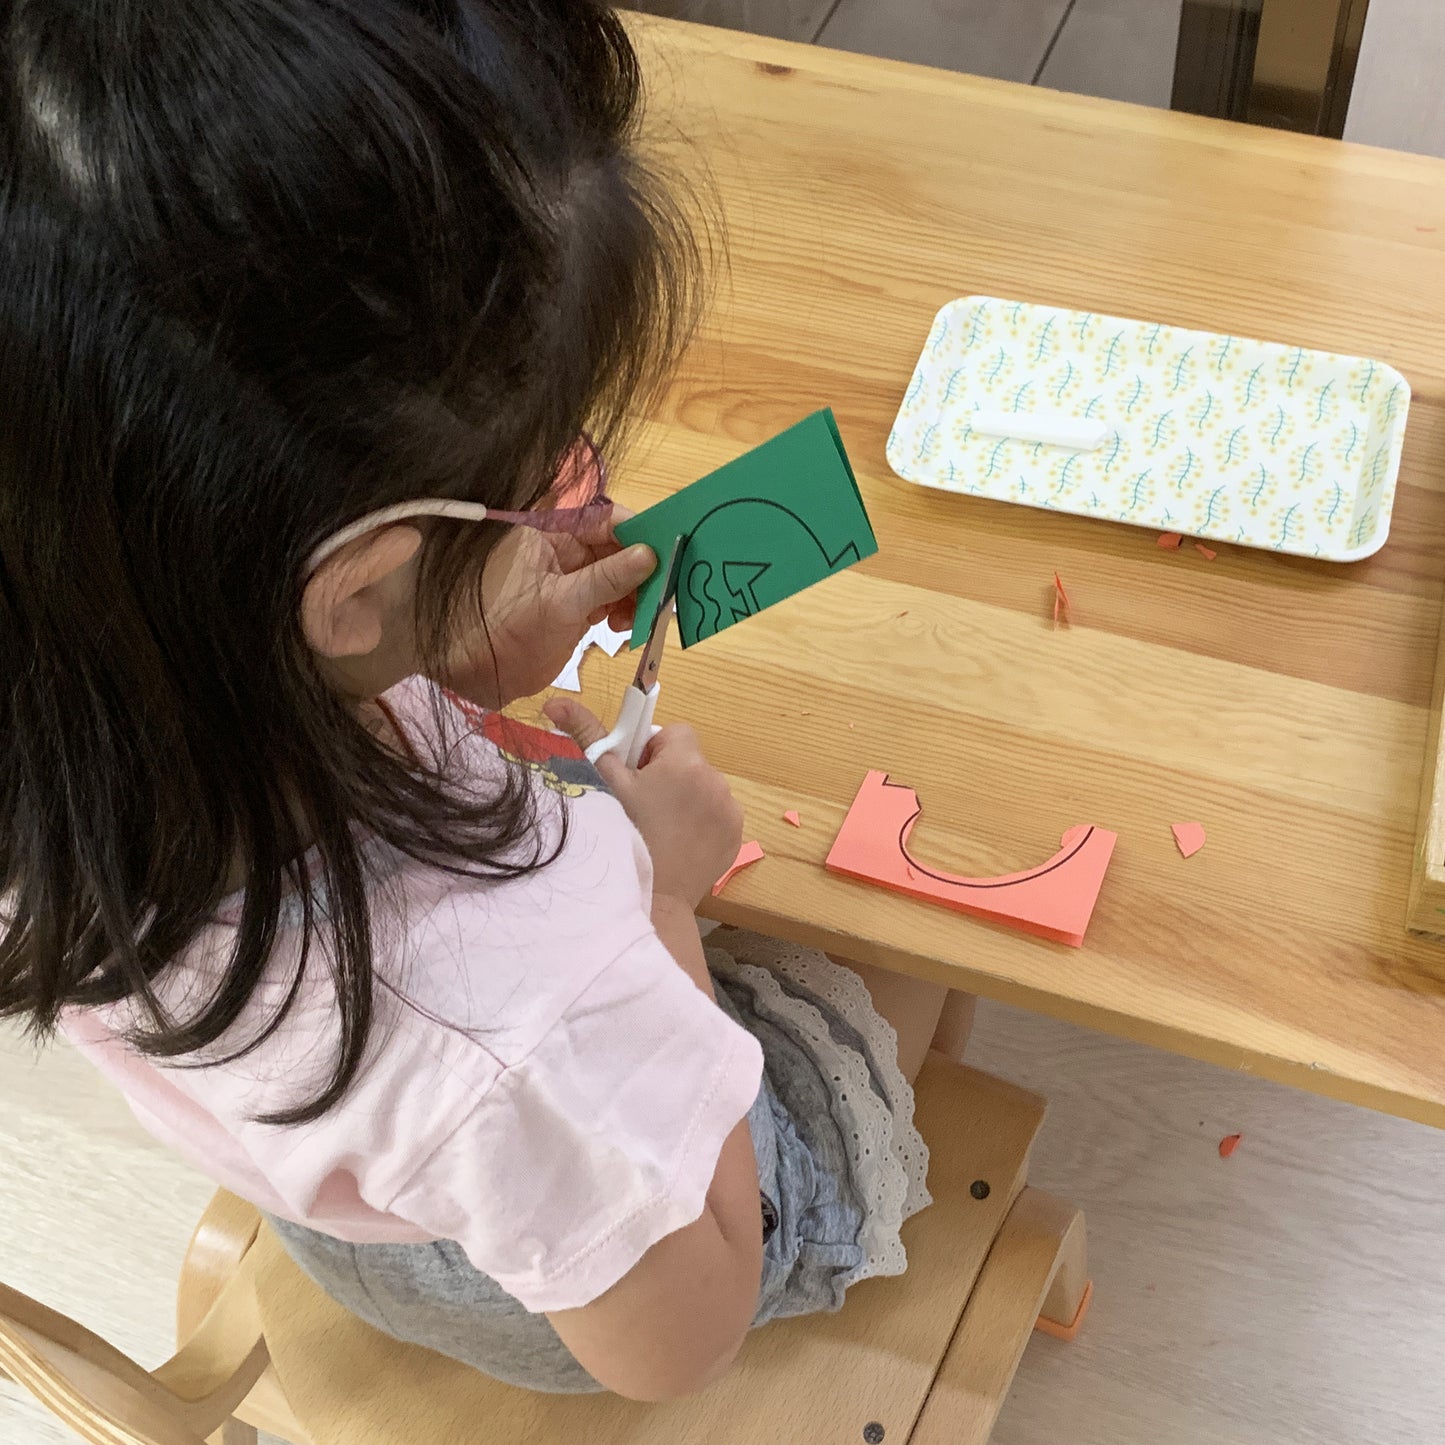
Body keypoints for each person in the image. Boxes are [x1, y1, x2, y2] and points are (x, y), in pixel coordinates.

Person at [0, 0, 971, 1402]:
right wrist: (661, 904)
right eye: (543, 482)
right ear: (350, 591)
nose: (571, 494)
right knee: (905, 957)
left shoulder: (82, 662)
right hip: (592, 1264)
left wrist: (456, 640)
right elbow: (674, 1336)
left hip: (356, 1175)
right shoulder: (524, 999)